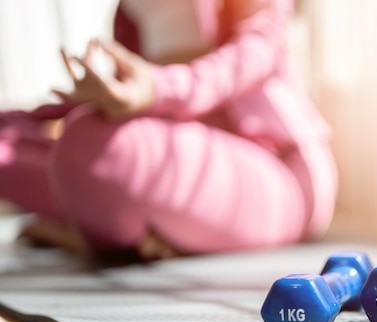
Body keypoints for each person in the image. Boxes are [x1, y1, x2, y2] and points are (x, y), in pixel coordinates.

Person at [0, 0, 337, 260]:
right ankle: (118, 229)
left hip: (278, 168)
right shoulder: (127, 13)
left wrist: (158, 88)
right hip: (174, 163)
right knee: (19, 144)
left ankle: (97, 229)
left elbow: (258, 51)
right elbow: (124, 94)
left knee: (88, 146)